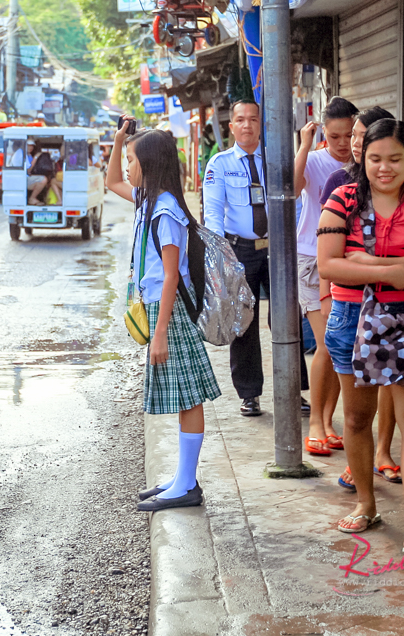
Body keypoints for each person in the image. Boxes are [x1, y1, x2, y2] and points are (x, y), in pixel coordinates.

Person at [317, 119, 404, 554]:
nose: (385, 167)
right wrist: (386, 269)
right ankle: (366, 502)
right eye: (375, 158)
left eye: (395, 159)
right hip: (351, 316)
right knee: (356, 419)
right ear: (363, 157)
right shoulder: (343, 198)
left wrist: (366, 260)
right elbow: (328, 266)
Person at [106, 123, 221, 511]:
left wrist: (159, 334)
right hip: (160, 310)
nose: (127, 167)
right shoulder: (147, 200)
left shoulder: (166, 210)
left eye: (131, 160)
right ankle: (182, 478)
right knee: (184, 395)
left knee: (188, 395)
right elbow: (111, 182)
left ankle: (187, 484)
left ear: (149, 164)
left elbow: (172, 274)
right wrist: (121, 138)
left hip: (168, 313)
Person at [318, 105, 402, 488]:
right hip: (349, 307)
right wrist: (328, 292)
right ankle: (360, 465)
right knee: (357, 411)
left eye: (360, 135)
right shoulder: (340, 186)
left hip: (399, 310)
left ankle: (382, 451)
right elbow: (329, 258)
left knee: (390, 386)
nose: (353, 142)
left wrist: (366, 261)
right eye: (352, 135)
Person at [294, 97, 358, 456]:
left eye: (349, 135)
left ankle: (329, 421)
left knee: (341, 347)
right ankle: (316, 423)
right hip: (311, 259)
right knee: (326, 345)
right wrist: (304, 145)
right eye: (335, 136)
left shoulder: (365, 164)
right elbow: (289, 185)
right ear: (323, 131)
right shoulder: (316, 160)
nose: (343, 143)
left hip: (349, 262)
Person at [202, 100, 271, 416]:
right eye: (240, 120)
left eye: (253, 119)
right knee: (245, 322)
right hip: (239, 251)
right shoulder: (220, 163)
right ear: (231, 126)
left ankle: (293, 390)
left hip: (277, 248)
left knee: (286, 318)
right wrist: (221, 253)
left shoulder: (275, 160)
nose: (247, 125)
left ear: (261, 123)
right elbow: (213, 211)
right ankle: (249, 394)